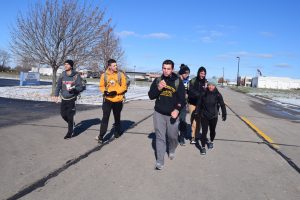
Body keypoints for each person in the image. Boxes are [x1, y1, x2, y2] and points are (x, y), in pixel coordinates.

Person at [148, 59, 186, 170]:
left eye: (168, 69)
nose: (166, 71)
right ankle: (160, 161)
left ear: (172, 69)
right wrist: (158, 88)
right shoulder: (158, 80)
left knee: (172, 136)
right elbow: (151, 96)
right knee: (160, 137)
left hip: (172, 115)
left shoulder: (177, 81)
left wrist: (177, 110)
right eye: (164, 68)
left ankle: (172, 148)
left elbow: (182, 99)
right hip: (159, 113)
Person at [96, 59, 127, 144]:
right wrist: (104, 91)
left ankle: (117, 132)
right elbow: (101, 86)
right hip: (107, 100)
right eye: (114, 65)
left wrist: (116, 92)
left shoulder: (121, 75)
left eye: (116, 65)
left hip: (118, 100)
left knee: (117, 117)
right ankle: (101, 136)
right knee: (105, 117)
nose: (116, 67)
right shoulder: (104, 75)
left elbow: (124, 87)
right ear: (109, 66)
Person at [53, 60, 84, 139]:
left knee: (70, 116)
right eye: (65, 64)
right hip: (64, 97)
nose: (65, 66)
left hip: (72, 98)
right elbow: (59, 85)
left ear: (71, 66)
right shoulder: (62, 74)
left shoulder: (76, 75)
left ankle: (69, 133)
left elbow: (80, 87)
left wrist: (74, 90)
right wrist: (56, 95)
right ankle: (72, 124)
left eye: (67, 64)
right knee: (63, 115)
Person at [195, 79, 227, 155]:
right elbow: (199, 103)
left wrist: (224, 114)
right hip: (204, 115)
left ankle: (211, 141)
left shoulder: (218, 94)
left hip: (214, 116)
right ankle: (203, 147)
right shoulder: (203, 93)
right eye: (209, 85)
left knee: (212, 131)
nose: (210, 87)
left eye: (212, 85)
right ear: (207, 85)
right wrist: (197, 111)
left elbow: (222, 104)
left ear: (215, 86)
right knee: (204, 132)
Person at [187, 66, 207, 144]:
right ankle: (193, 137)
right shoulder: (193, 81)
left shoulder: (206, 82)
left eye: (204, 74)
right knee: (193, 121)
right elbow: (190, 91)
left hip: (201, 105)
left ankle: (197, 135)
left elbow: (207, 92)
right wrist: (199, 94)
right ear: (198, 73)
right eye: (201, 73)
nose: (202, 75)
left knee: (199, 121)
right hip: (192, 103)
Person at [178, 64, 190, 146]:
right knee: (173, 122)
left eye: (188, 73)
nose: (187, 75)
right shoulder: (176, 80)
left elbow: (190, 92)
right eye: (185, 73)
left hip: (183, 105)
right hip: (174, 104)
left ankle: (181, 138)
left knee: (182, 121)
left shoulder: (188, 81)